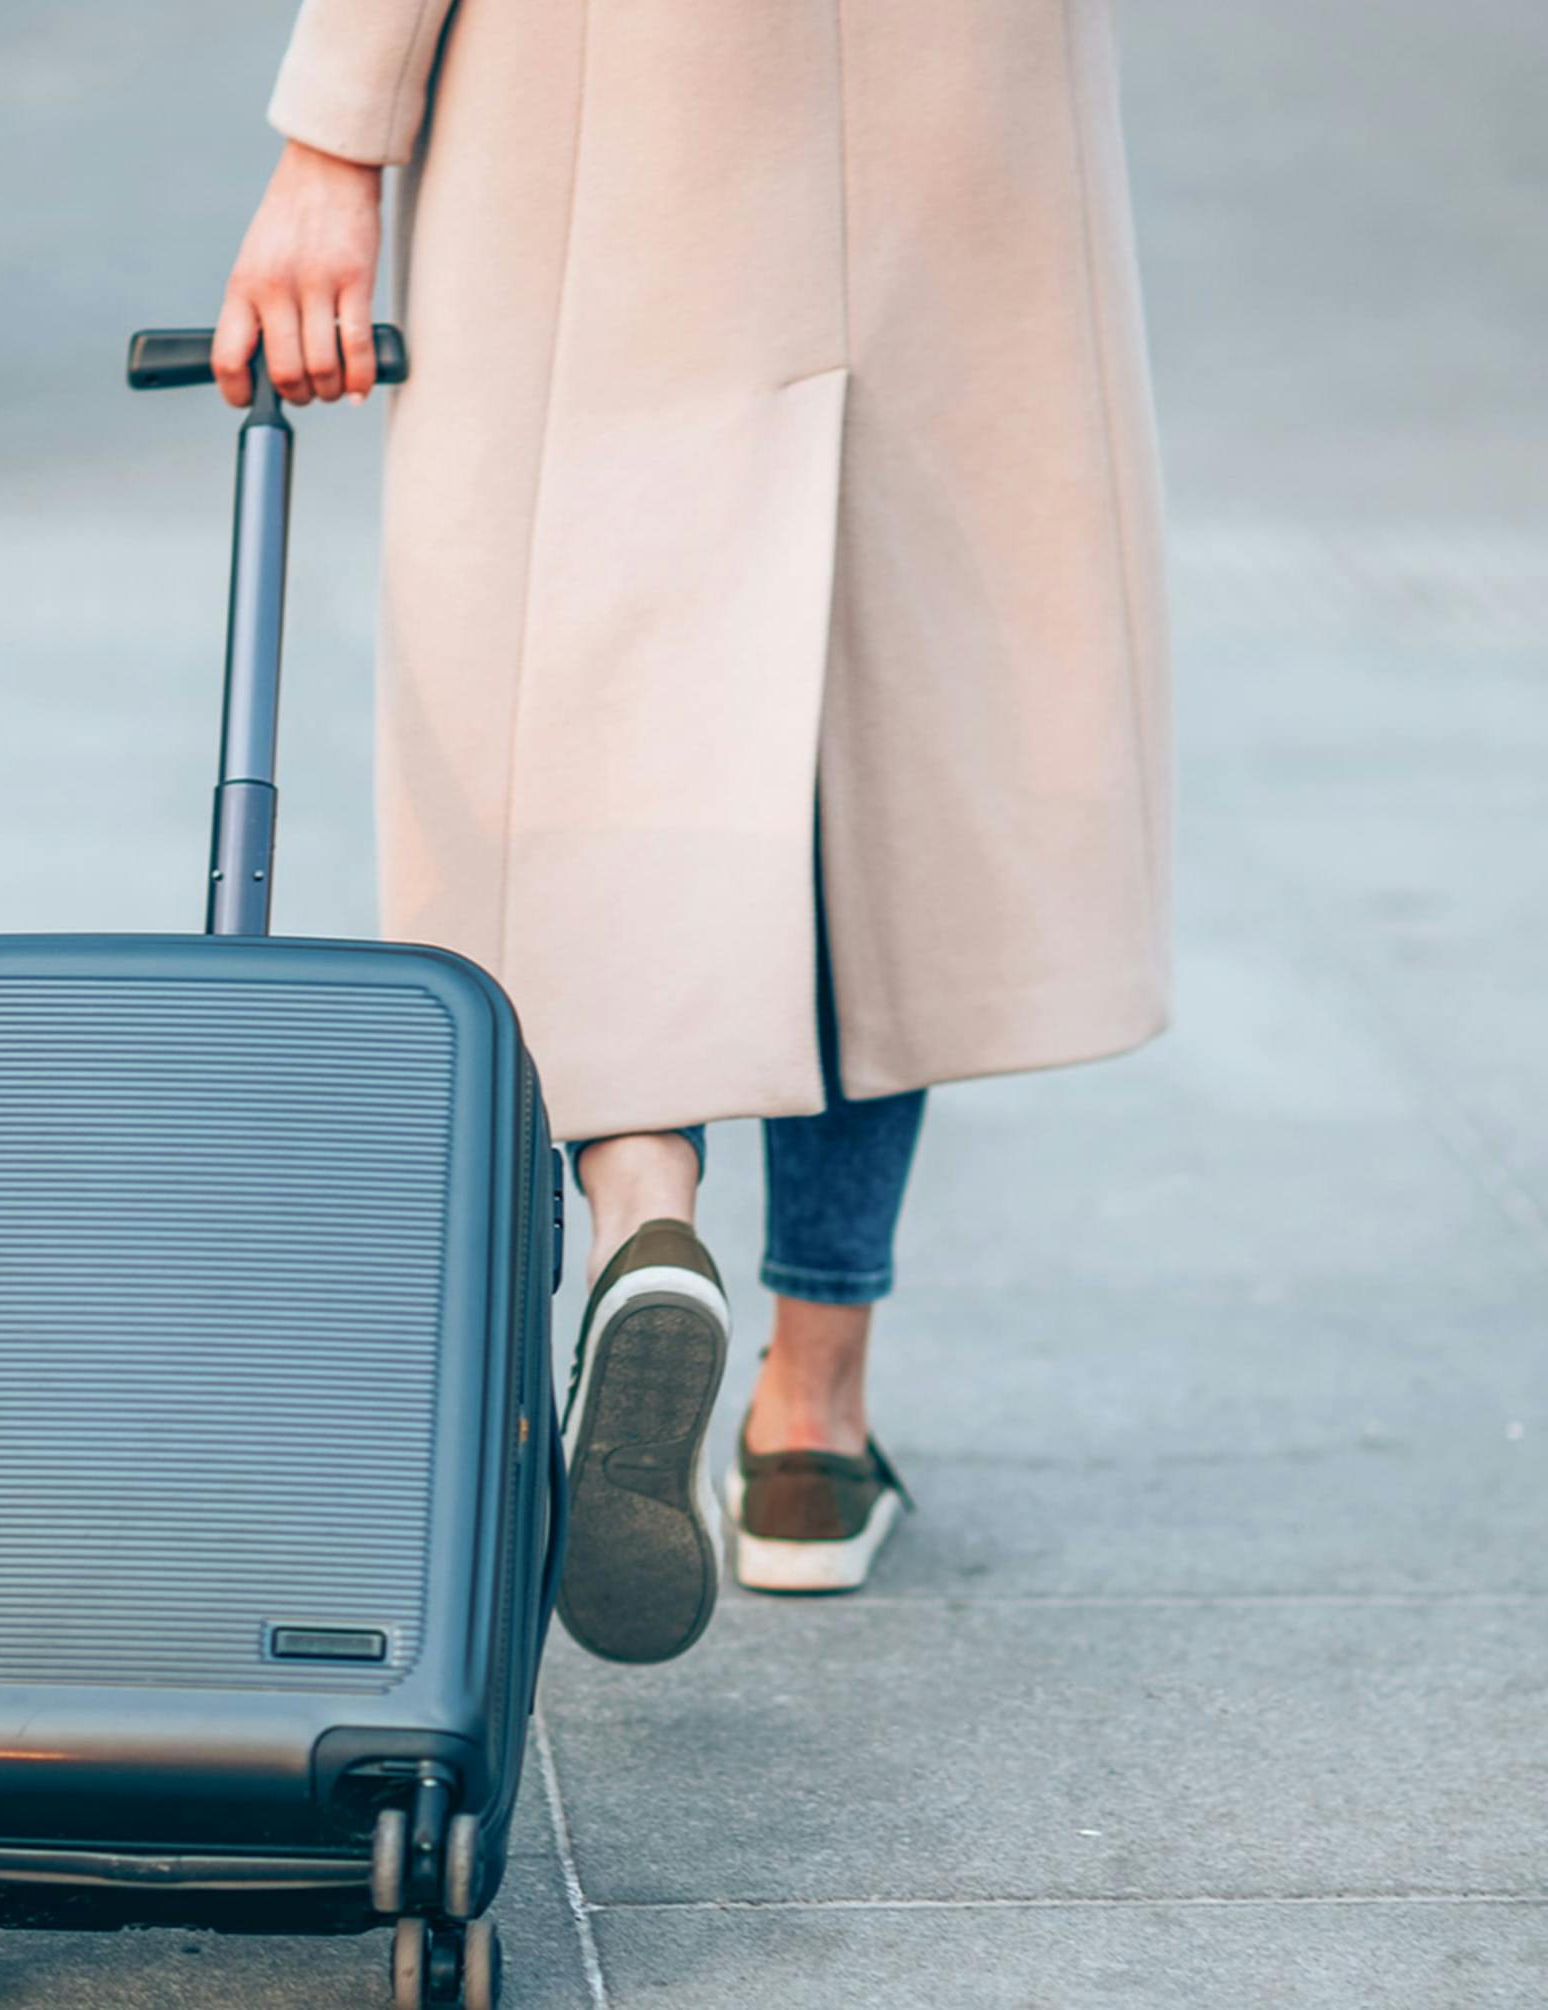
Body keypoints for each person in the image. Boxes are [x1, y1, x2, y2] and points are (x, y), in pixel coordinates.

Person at [215, 1, 1169, 1665]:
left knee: (601, 665)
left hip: (614, 72)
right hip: (970, 83)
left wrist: (330, 140)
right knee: (881, 705)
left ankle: (643, 1208)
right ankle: (810, 1421)